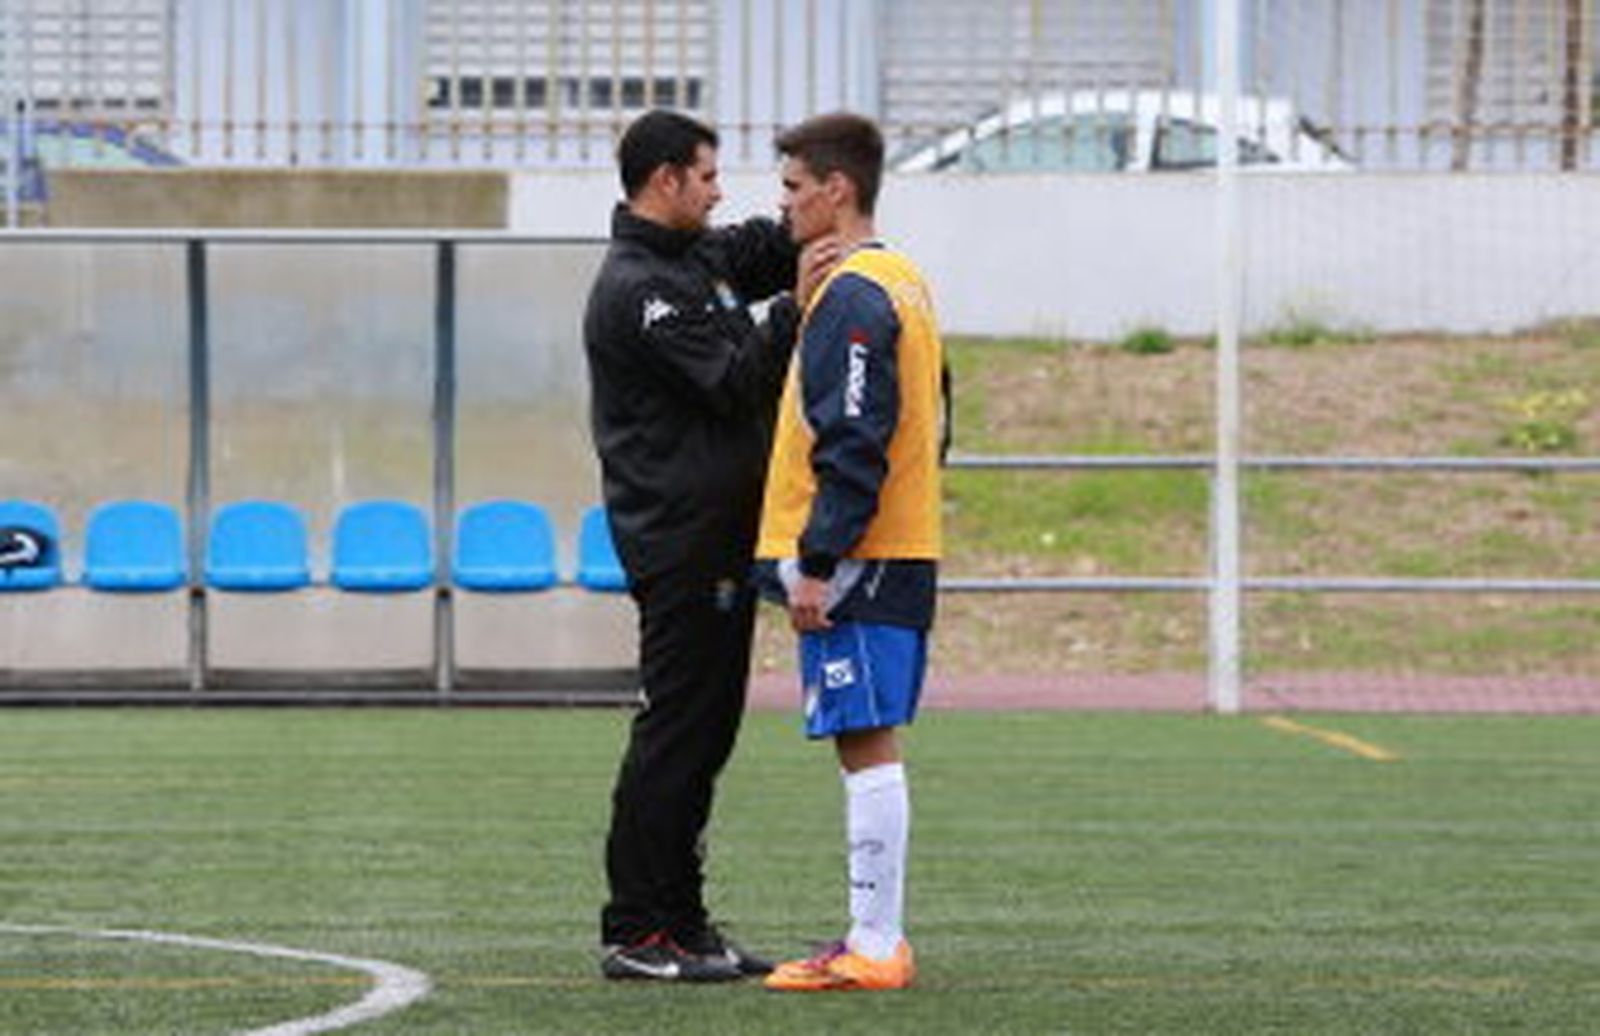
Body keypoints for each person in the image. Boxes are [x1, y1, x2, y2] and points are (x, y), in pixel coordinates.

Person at [583, 109, 837, 983]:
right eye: (706, 175)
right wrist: (797, 309)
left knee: (704, 735)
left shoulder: (694, 258)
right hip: (681, 548)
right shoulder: (639, 288)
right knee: (676, 735)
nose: (720, 190)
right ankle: (638, 931)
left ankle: (683, 924)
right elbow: (734, 383)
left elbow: (759, 246)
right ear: (665, 182)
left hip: (723, 545)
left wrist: (823, 196)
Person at [755, 112, 944, 993]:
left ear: (838, 190)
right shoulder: (904, 281)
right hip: (891, 546)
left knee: (865, 738)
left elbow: (856, 433)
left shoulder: (857, 295)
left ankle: (874, 943)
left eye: (794, 187)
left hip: (860, 558)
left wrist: (822, 558)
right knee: (864, 736)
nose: (785, 203)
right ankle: (872, 937)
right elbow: (932, 419)